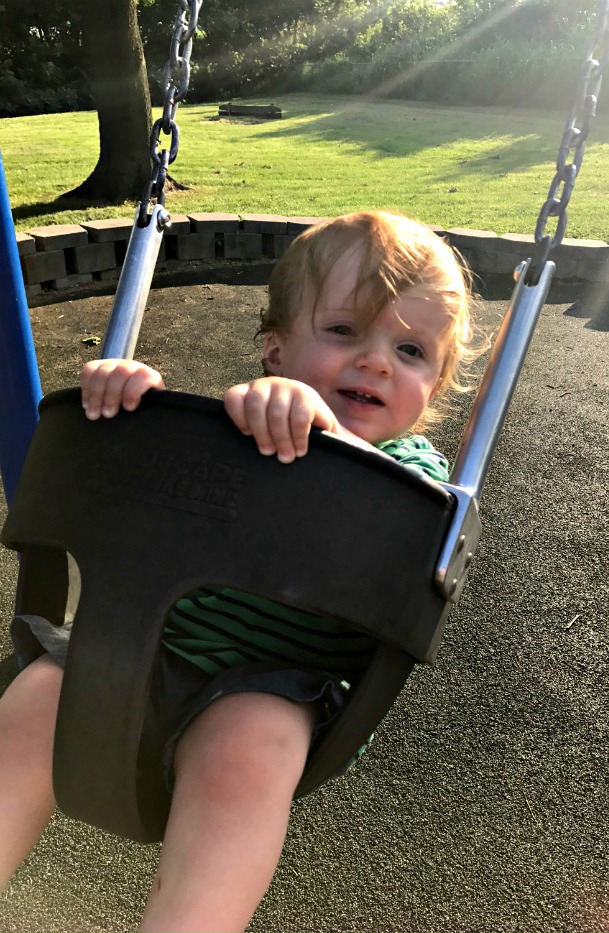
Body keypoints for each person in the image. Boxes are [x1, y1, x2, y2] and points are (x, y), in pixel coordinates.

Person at [0, 209, 480, 932]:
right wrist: (126, 403)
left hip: (277, 682)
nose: (377, 361)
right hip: (144, 644)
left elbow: (384, 523)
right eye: (344, 331)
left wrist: (325, 438)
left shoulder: (415, 474)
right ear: (275, 349)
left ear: (435, 385)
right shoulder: (239, 424)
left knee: (250, 745)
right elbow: (135, 485)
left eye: (410, 350)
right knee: (36, 697)